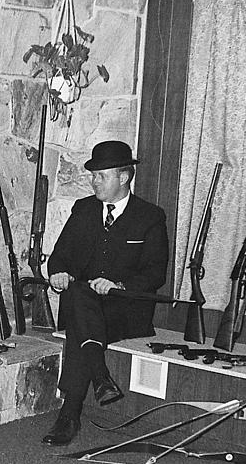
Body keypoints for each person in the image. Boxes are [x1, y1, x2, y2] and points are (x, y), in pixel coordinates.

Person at [42, 140, 169, 446]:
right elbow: (60, 257)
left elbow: (155, 274)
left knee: (79, 319)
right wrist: (58, 273)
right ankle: (98, 378)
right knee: (80, 296)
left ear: (124, 177)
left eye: (101, 175)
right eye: (93, 175)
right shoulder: (83, 210)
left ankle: (70, 412)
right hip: (85, 304)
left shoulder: (150, 217)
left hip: (124, 310)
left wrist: (119, 286)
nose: (94, 181)